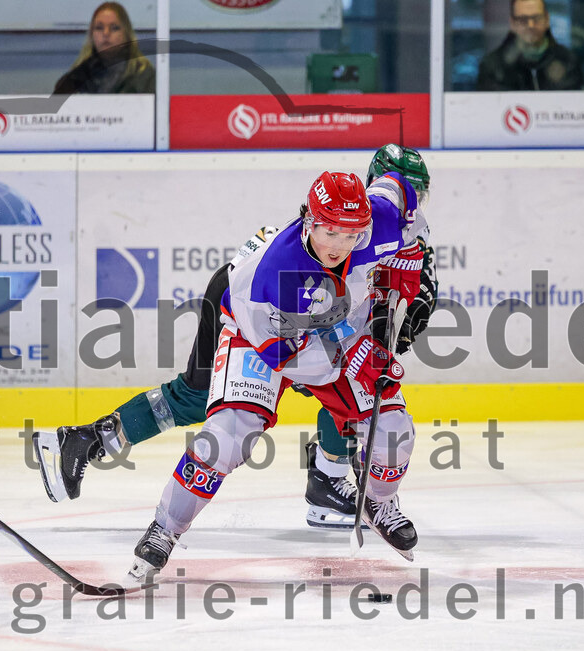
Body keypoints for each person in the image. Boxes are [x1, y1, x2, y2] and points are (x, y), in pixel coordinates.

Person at [36, 146, 434, 535]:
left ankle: (326, 480)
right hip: (253, 302)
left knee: (348, 386)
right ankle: (85, 439)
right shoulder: (338, 229)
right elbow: (287, 336)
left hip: (304, 308)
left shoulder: (392, 222)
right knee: (199, 398)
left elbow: (408, 245)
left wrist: (400, 308)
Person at [124, 169, 426, 580]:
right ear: (308, 219)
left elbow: (402, 198)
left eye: (352, 234)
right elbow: (289, 360)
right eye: (329, 231)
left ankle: (379, 502)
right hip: (260, 338)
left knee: (395, 433)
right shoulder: (269, 278)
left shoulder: (381, 220)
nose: (339, 245)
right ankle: (165, 528)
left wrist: (405, 280)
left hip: (340, 329)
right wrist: (359, 358)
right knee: (226, 438)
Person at [477, 0, 583, 91]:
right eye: (523, 20)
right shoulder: (494, 66)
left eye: (536, 18)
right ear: (512, 24)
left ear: (547, 20)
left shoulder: (567, 61)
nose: (530, 25)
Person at [53, 1, 155, 94]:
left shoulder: (144, 75)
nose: (106, 33)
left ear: (127, 34)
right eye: (99, 28)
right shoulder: (75, 77)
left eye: (114, 28)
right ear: (91, 35)